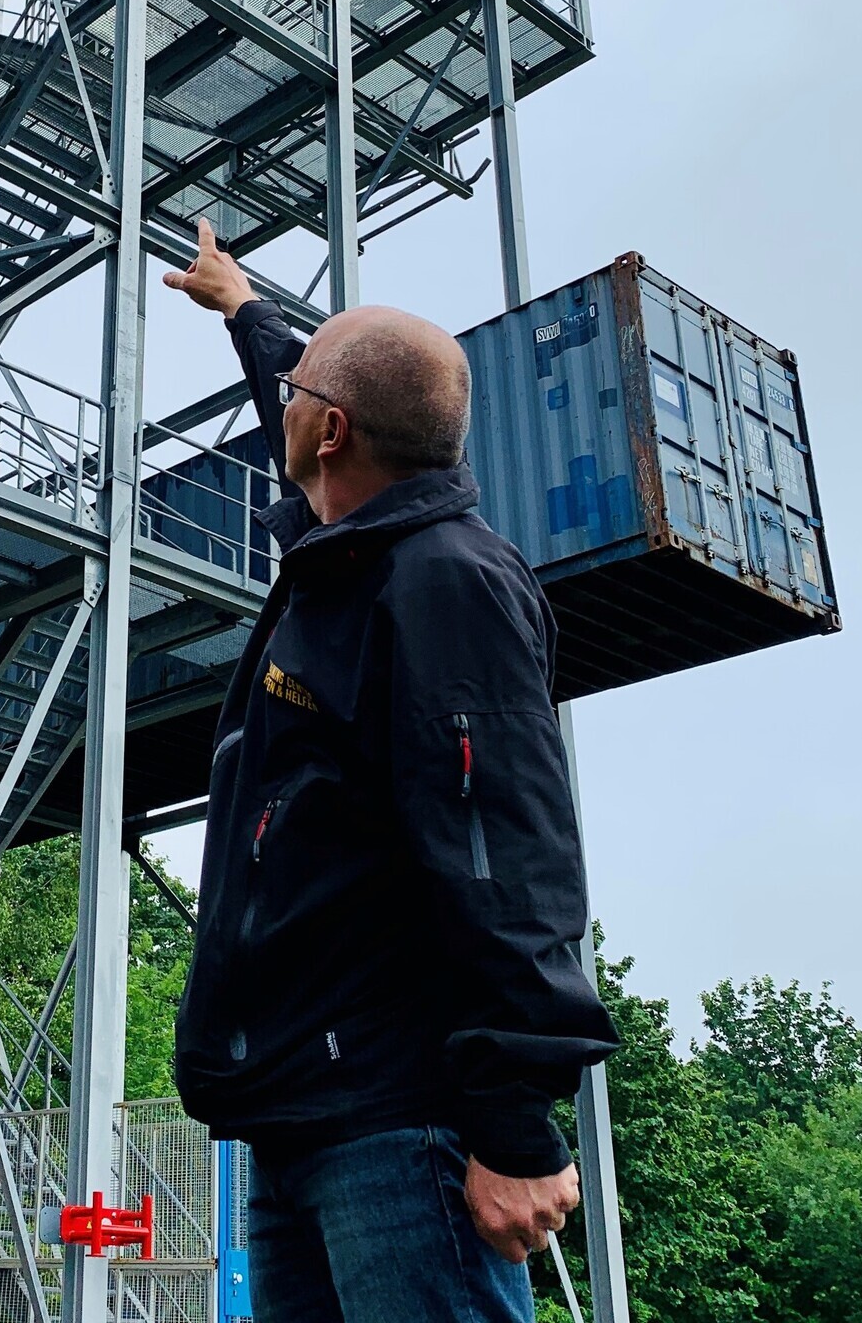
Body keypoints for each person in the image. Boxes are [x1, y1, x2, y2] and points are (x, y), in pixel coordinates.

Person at [164, 219, 617, 1323]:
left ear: (329, 430)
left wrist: (513, 1126)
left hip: (399, 1127)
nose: (286, 397)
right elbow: (312, 384)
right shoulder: (353, 551)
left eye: (301, 392)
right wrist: (242, 305)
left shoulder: (443, 583)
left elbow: (507, 850)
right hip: (306, 1108)